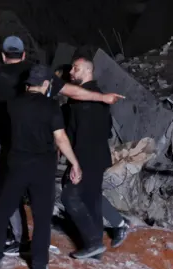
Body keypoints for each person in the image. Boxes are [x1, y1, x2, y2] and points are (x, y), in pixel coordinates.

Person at [0, 36, 124, 257]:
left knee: (9, 195)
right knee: (43, 202)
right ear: (24, 55)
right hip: (42, 151)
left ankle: (14, 242)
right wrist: (102, 98)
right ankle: (42, 251)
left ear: (3, 55)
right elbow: (72, 94)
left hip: (12, 146)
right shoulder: (39, 77)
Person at [0, 64, 82, 269]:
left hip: (17, 164)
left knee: (2, 210)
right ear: (45, 83)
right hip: (43, 167)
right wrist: (74, 162)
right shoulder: (51, 106)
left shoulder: (13, 104)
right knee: (42, 217)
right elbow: (60, 138)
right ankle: (39, 263)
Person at [60, 56, 118, 259]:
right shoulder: (96, 96)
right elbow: (107, 130)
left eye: (75, 68)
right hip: (98, 157)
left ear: (87, 71)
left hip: (87, 158)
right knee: (91, 200)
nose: (71, 72)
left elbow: (83, 136)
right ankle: (95, 250)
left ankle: (93, 243)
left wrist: (76, 165)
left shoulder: (86, 101)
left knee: (70, 197)